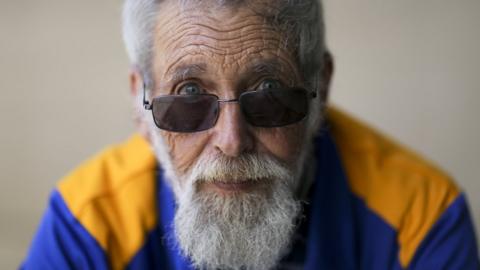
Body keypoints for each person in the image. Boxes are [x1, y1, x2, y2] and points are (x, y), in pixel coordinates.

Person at [22, 0, 479, 269]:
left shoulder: (420, 218)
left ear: (320, 90)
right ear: (141, 106)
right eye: (189, 93)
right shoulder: (88, 225)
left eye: (268, 91)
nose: (231, 140)